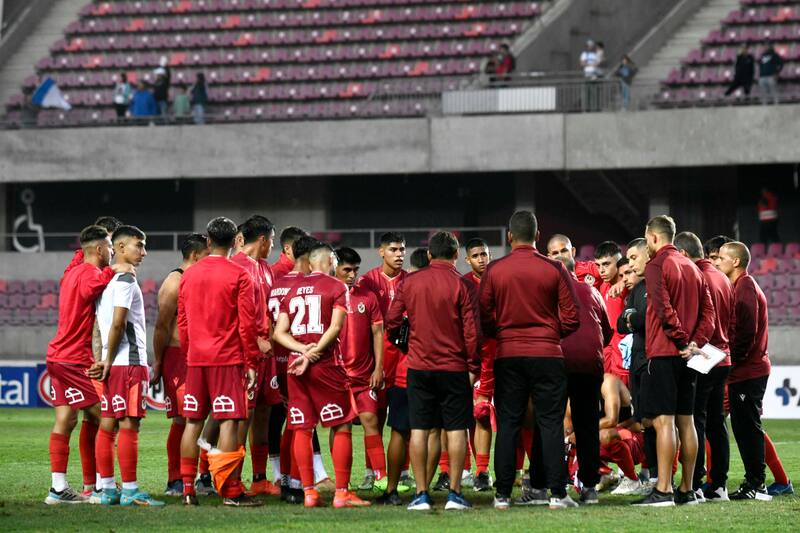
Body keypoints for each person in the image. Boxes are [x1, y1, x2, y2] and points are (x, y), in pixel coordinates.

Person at [480, 211, 580, 510]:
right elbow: (572, 317)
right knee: (550, 424)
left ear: (509, 236)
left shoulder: (495, 270)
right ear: (538, 236)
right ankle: (557, 494)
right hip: (547, 354)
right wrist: (549, 333)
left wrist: (504, 332)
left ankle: (501, 496)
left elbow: (483, 316)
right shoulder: (554, 269)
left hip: (509, 355)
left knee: (508, 424)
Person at [386, 232, 481, 511]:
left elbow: (392, 320)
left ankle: (421, 494)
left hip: (419, 366)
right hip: (454, 368)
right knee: (456, 429)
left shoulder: (410, 282)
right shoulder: (463, 286)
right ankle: (454, 493)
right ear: (455, 255)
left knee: (419, 429)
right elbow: (472, 333)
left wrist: (404, 343)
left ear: (429, 255)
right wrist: (473, 367)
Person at [273, 242, 369, 509]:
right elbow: (336, 327)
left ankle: (309, 493)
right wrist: (312, 354)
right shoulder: (336, 286)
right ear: (329, 260)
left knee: (302, 429)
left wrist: (301, 351)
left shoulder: (290, 291)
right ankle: (341, 493)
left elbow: (278, 333)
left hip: (295, 367)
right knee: (341, 425)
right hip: (325, 364)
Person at [44, 225, 133, 504]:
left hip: (57, 356)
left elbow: (80, 259)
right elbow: (91, 288)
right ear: (98, 250)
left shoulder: (72, 270)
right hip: (73, 359)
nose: (111, 251)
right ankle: (102, 486)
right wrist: (115, 269)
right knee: (106, 415)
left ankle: (58, 488)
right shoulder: (88, 273)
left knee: (67, 419)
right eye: (109, 246)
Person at [177, 217, 262, 507]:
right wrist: (251, 361)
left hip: (196, 359)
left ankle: (188, 489)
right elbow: (246, 324)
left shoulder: (188, 274)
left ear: (208, 241)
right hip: (227, 359)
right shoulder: (240, 275)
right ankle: (231, 491)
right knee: (229, 421)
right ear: (235, 241)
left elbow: (183, 321)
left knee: (192, 423)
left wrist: (190, 353)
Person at [635, 215, 715, 507]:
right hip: (689, 356)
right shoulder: (692, 267)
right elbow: (710, 314)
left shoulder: (656, 265)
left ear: (654, 237)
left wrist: (682, 341)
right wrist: (695, 344)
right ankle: (688, 489)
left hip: (666, 352)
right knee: (687, 421)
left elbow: (662, 307)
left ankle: (664, 490)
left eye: (647, 239)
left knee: (664, 421)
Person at [90, 226, 163, 506]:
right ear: (119, 248)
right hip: (128, 363)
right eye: (138, 246)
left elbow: (100, 324)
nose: (143, 252)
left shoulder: (103, 282)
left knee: (107, 426)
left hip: (113, 363)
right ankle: (130, 491)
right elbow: (119, 323)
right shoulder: (125, 282)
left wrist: (103, 358)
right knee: (129, 424)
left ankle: (107, 489)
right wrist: (108, 360)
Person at [675, 231, 734, 502]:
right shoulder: (723, 277)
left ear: (684, 254)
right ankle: (719, 485)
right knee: (716, 422)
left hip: (703, 352)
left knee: (693, 420)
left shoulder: (696, 277)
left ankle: (694, 482)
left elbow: (701, 320)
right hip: (723, 353)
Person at [151, 233, 208, 496]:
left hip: (202, 355)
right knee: (183, 419)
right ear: (196, 255)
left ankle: (204, 477)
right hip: (176, 357)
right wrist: (159, 361)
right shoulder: (173, 283)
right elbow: (162, 327)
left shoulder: (202, 279)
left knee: (206, 416)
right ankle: (175, 479)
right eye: (207, 255)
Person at [716, 242, 772, 500]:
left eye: (722, 258)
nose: (717, 262)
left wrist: (729, 360)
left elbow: (745, 334)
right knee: (744, 426)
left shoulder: (745, 287)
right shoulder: (741, 286)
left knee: (747, 427)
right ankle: (755, 482)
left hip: (748, 371)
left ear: (736, 262)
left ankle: (756, 483)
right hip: (746, 369)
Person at [555, 254, 611, 504]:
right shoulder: (592, 292)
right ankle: (589, 487)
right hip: (590, 364)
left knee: (551, 423)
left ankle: (555, 486)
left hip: (558, 362)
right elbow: (607, 331)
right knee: (587, 425)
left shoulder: (550, 294)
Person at [230, 215, 280, 497]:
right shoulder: (235, 266)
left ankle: (259, 478)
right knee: (242, 416)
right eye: (272, 240)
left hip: (267, 355)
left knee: (263, 413)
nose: (272, 245)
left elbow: (269, 309)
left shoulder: (265, 268)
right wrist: (255, 342)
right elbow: (232, 315)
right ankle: (233, 479)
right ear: (263, 239)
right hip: (245, 354)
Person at [334, 248, 388, 494]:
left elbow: (378, 333)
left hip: (365, 376)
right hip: (337, 377)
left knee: (371, 421)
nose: (352, 274)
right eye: (347, 269)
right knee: (340, 429)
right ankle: (341, 484)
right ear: (335, 268)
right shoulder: (328, 296)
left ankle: (380, 476)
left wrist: (378, 368)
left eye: (355, 269)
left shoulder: (367, 296)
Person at [267, 235, 316, 504]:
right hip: (301, 361)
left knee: (292, 423)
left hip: (280, 361)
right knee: (301, 425)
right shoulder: (304, 285)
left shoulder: (277, 284)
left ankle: (287, 480)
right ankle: (295, 484)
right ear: (307, 257)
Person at [361, 232, 411, 492]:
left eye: (402, 249)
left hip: (404, 359)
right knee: (376, 417)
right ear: (381, 252)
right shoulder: (368, 281)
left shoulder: (411, 280)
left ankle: (403, 472)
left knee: (405, 420)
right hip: (378, 360)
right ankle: (371, 471)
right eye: (393, 249)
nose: (399, 254)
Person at [617, 238, 657, 485]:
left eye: (633, 258)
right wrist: (633, 317)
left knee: (658, 422)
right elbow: (622, 324)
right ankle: (652, 475)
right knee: (643, 421)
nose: (630, 265)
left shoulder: (656, 286)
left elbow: (646, 321)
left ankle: (662, 477)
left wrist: (633, 318)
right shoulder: (636, 290)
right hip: (637, 364)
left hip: (653, 362)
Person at [462, 238, 495, 492]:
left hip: (502, 356)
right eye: (476, 256)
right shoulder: (462, 284)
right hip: (471, 359)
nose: (481, 259)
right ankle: (476, 471)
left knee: (503, 416)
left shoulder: (499, 278)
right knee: (475, 414)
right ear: (467, 259)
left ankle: (486, 471)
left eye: (484, 254)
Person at [594, 242, 630, 385]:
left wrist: (624, 282)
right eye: (598, 265)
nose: (601, 270)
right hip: (607, 356)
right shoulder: (602, 286)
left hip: (624, 357)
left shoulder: (629, 284)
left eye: (606, 264)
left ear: (619, 260)